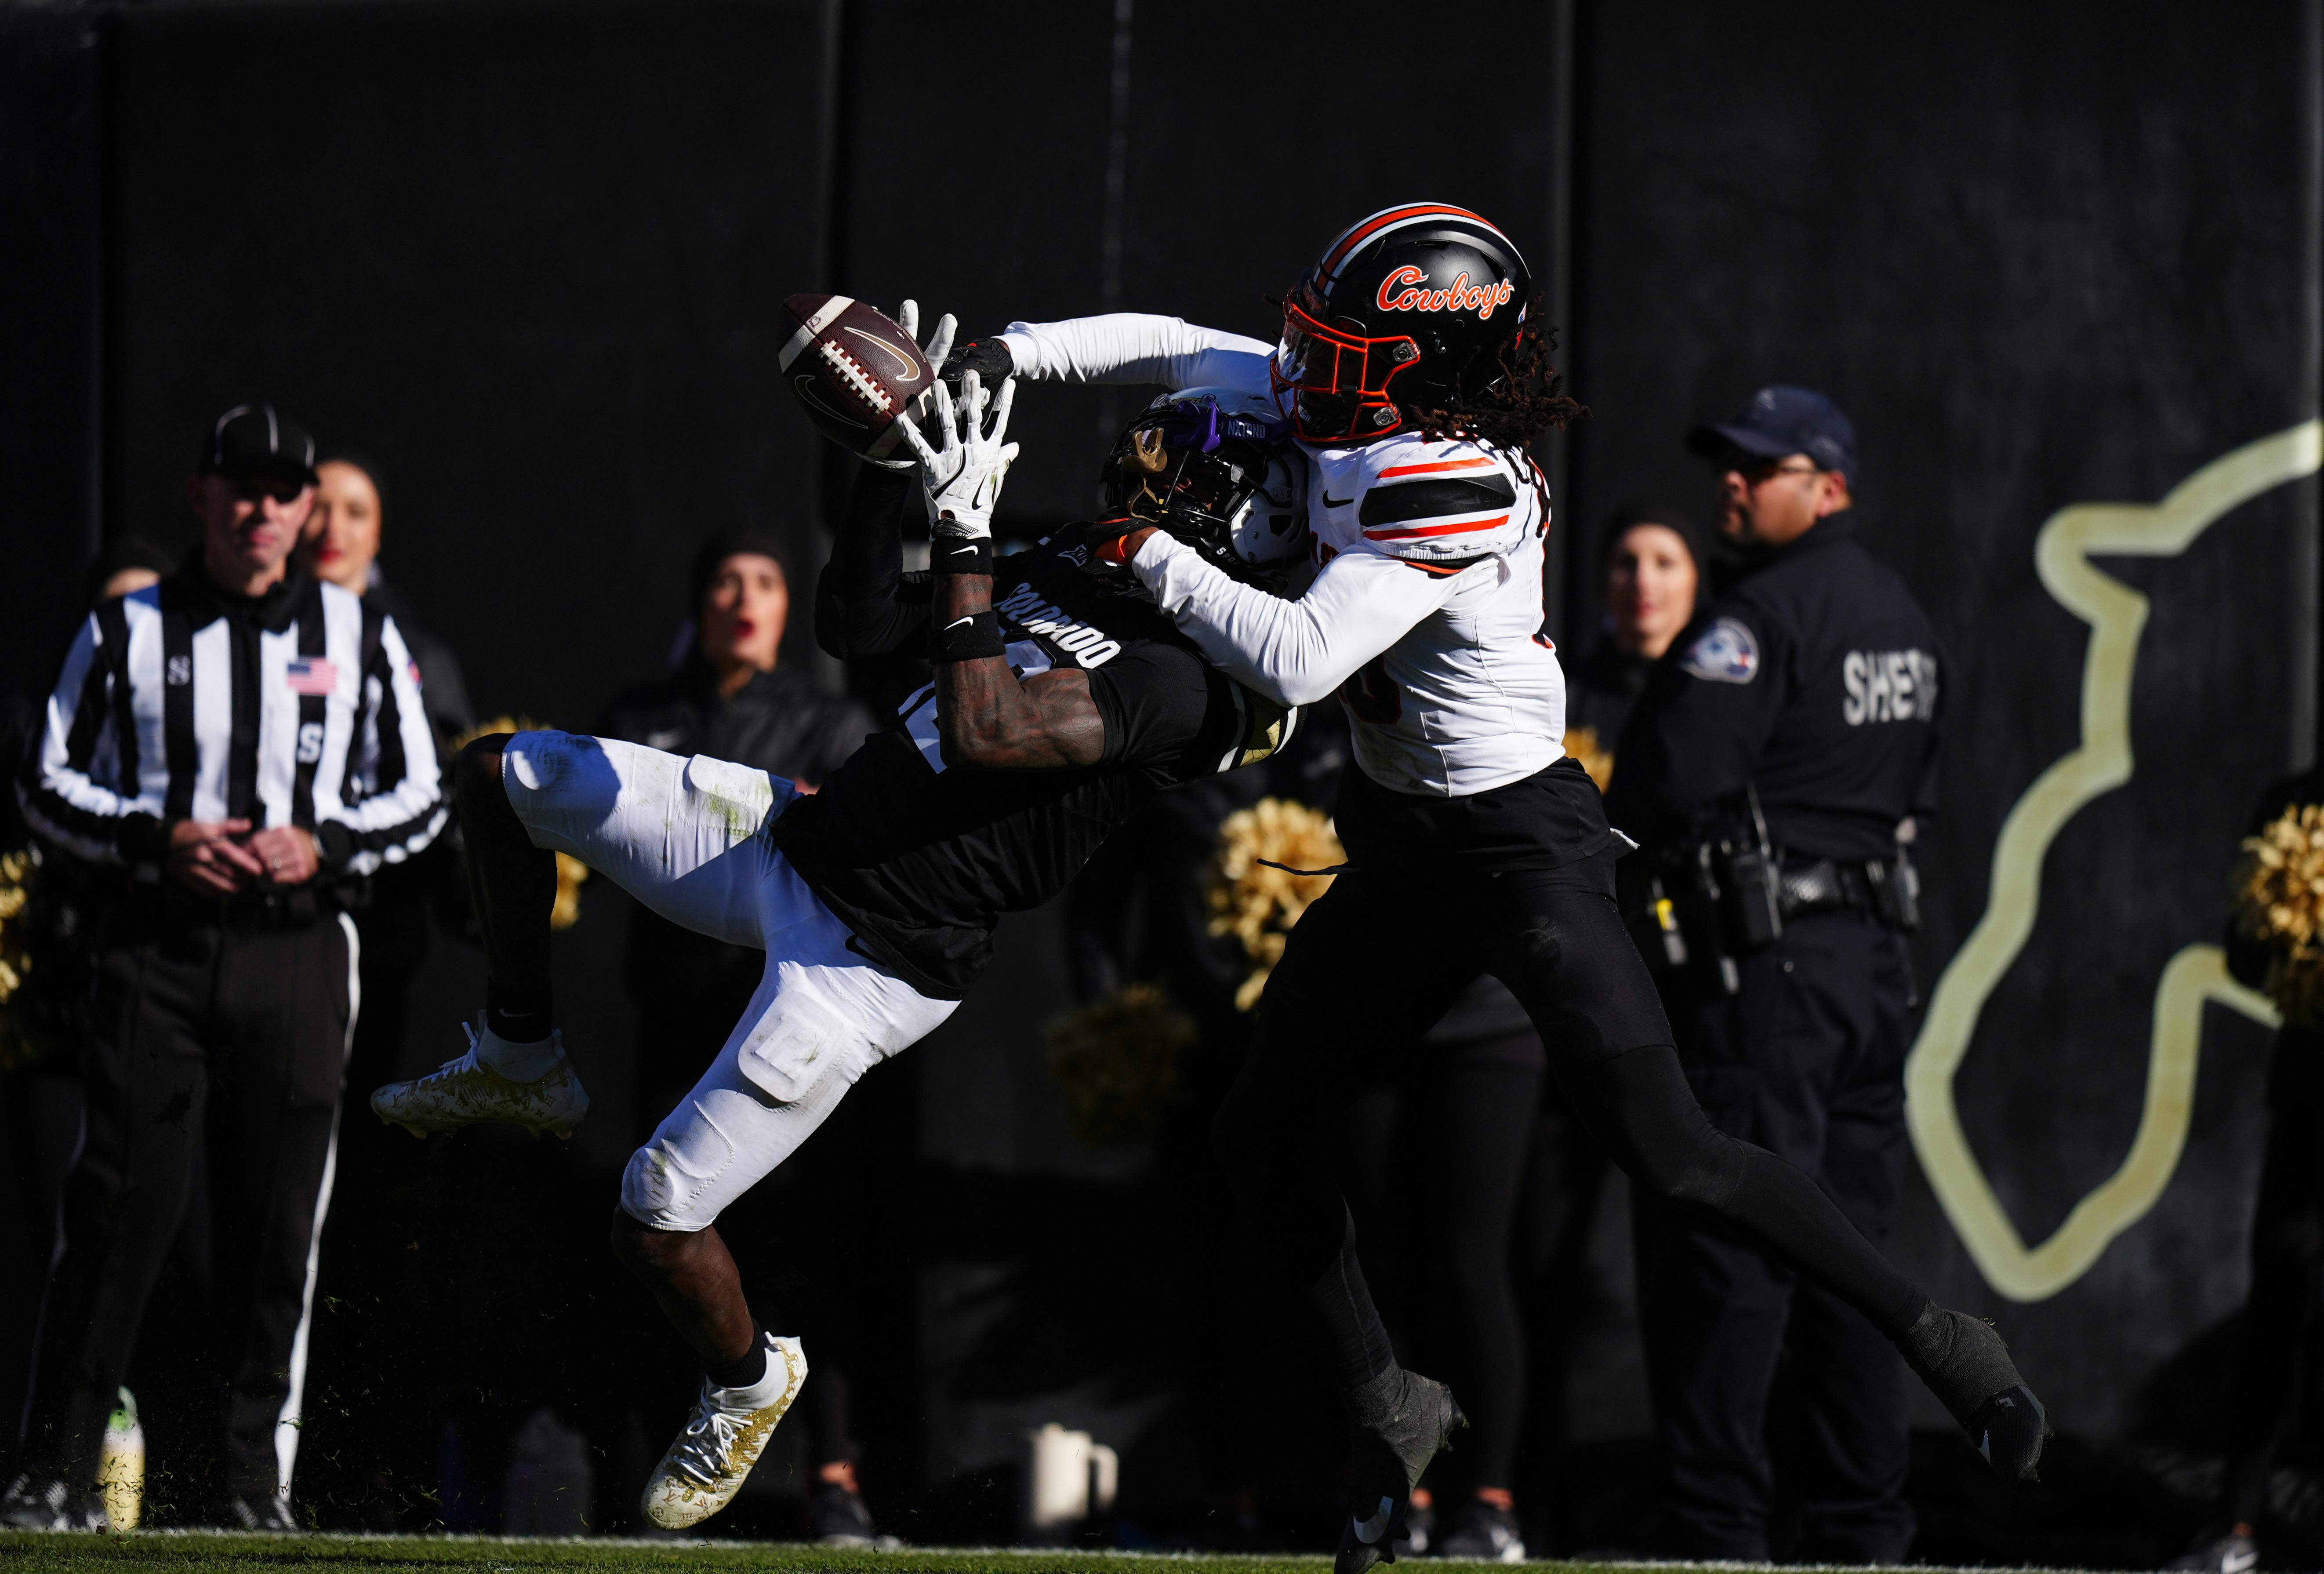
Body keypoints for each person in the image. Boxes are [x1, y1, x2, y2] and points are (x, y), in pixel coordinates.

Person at [950, 204, 2041, 1574]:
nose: (1302, 368)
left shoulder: (1456, 476)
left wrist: (1142, 552)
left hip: (1522, 846)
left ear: (1422, 366)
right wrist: (1004, 355)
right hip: (1405, 842)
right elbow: (1172, 340)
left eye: (1344, 348)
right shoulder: (1351, 402)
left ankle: (1939, 1334)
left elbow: (1292, 657)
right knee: (1259, 1127)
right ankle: (1381, 1397)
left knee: (1675, 1152)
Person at [367, 355, 1313, 1533]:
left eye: (1185, 461)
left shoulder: (1194, 687)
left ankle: (752, 1376)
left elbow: (985, 732)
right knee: (501, 774)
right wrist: (883, 467)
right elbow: (857, 620)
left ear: (1239, 518)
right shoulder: (1076, 563)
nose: (1146, 463)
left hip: (875, 958)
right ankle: (519, 1048)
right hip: (793, 842)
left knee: (653, 1212)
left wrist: (967, 531)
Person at [5, 403, 443, 1532]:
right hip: (156, 947)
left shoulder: (358, 634)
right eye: (238, 487)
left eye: (281, 490)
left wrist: (326, 841)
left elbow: (423, 795)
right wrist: (157, 837)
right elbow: (47, 782)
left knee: (276, 1222)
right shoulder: (126, 630)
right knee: (118, 1206)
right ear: (199, 499)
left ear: (305, 511)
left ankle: (254, 1485)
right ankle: (54, 1468)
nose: (261, 509)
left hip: (297, 950)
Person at [1605, 386, 1943, 1561]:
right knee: (1854, 1256)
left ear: (1830, 486)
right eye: (1726, 465)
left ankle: (1717, 1528)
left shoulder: (1756, 618)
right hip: (1870, 966)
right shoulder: (1899, 612)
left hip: (1769, 977)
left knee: (1731, 1256)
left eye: (1761, 466)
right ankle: (1865, 1527)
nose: (1731, 484)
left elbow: (1660, 787)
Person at [596, 530, 876, 1541]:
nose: (743, 599)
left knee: (807, 1255)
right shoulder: (639, 719)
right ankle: (644, 1472)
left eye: (763, 582)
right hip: (672, 1022)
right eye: (724, 580)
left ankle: (833, 1475)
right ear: (697, 599)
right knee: (662, 1235)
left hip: (787, 1023)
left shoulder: (828, 719)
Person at [2173, 765, 2324, 1574]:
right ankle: (2234, 1530)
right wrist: (2291, 942)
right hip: (2309, 1099)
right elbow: (2241, 957)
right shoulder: (2291, 805)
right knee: (2282, 1296)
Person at [1565, 504, 1704, 757]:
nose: (1643, 582)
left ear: (1696, 579)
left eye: (1665, 564)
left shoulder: (1718, 700)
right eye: (1627, 564)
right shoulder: (1563, 699)